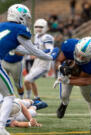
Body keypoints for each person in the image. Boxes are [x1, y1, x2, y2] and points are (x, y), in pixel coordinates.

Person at [0, 4, 59, 135]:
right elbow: (33, 51)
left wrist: (42, 52)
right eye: (26, 17)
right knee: (9, 96)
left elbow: (16, 49)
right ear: (20, 16)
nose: (27, 21)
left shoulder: (2, 26)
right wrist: (49, 56)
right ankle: (1, 128)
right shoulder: (20, 28)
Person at [55, 37, 91, 134]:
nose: (79, 58)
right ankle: (64, 104)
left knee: (87, 96)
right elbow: (58, 60)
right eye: (79, 54)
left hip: (81, 77)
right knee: (64, 95)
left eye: (84, 57)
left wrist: (67, 80)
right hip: (69, 73)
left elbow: (83, 81)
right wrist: (60, 67)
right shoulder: (69, 45)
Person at [24, 18, 54, 100]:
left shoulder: (47, 37)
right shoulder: (37, 36)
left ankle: (27, 98)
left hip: (43, 64)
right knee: (31, 80)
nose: (38, 29)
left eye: (40, 27)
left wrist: (37, 53)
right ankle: (37, 98)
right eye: (36, 26)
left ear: (45, 27)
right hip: (36, 62)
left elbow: (50, 50)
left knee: (27, 80)